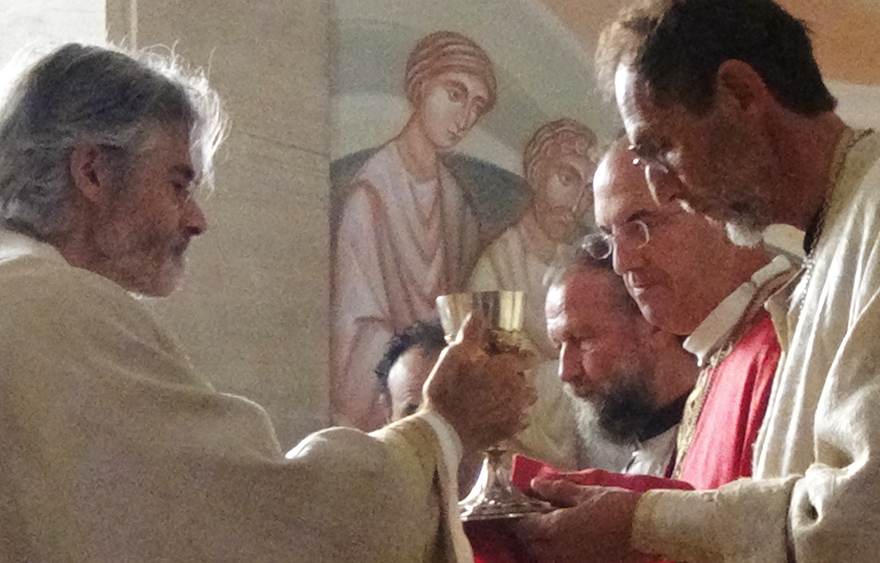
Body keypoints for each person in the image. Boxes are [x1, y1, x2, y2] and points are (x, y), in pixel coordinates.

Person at [0, 43, 534, 562]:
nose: (197, 220)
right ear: (92, 170)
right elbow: (268, 516)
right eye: (178, 184)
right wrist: (442, 426)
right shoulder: (52, 311)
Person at [521, 0, 880, 561]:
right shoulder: (841, 234)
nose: (664, 188)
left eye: (662, 148)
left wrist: (643, 521)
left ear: (741, 94)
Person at [589, 138, 792, 489]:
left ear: (720, 209)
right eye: (610, 236)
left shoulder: (786, 343)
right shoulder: (722, 349)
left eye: (641, 225)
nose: (622, 264)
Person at [331, 30, 505, 431]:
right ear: (421, 85)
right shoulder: (370, 194)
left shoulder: (457, 203)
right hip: (399, 403)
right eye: (455, 93)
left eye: (476, 106)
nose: (465, 119)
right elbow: (356, 329)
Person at [467, 118, 600, 470]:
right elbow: (499, 372)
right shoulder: (496, 265)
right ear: (537, 175)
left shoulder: (579, 263)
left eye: (587, 191)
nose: (576, 203)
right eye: (567, 179)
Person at [544, 248, 697, 476]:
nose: (566, 372)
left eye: (582, 340)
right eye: (559, 346)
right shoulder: (647, 449)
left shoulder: (720, 432)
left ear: (654, 324)